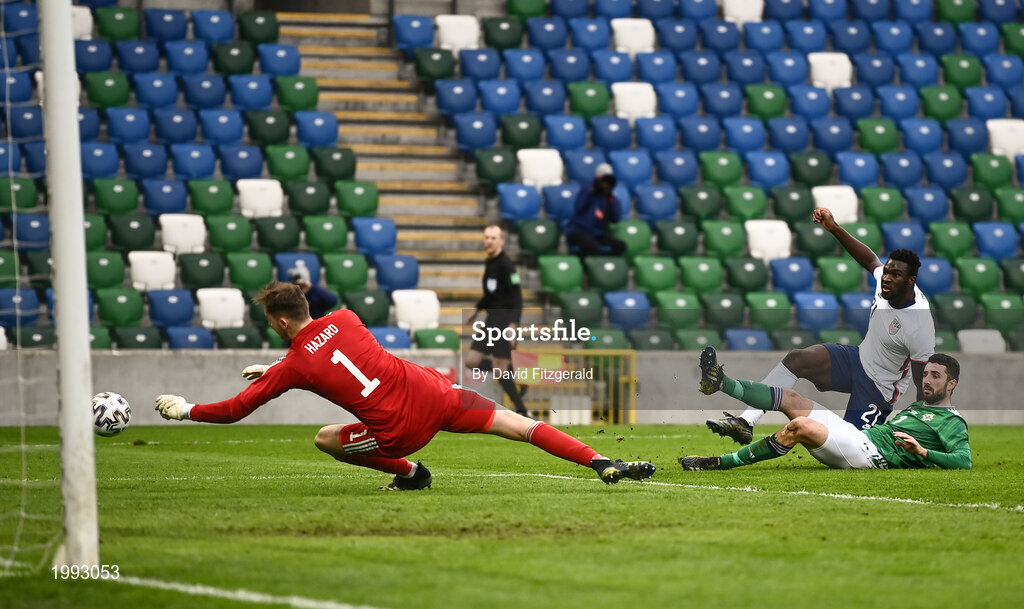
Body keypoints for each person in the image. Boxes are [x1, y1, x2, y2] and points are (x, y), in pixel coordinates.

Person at [155, 282, 655, 488]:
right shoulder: (347, 318)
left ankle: (411, 472)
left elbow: (238, 409)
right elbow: (332, 351)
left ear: (281, 323)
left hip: (398, 429)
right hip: (435, 392)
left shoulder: (294, 365)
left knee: (326, 438)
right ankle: (600, 461)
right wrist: (278, 366)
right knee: (517, 423)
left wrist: (187, 409)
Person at [706, 207, 936, 443]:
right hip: (856, 360)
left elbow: (923, 382)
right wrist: (833, 228)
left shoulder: (919, 325)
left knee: (852, 447)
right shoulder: (884, 283)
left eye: (895, 275)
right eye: (887, 271)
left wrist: (922, 428)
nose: (886, 277)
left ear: (911, 281)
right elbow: (869, 259)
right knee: (798, 358)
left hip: (880, 387)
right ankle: (746, 422)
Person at [681, 347, 970, 471]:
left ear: (952, 384)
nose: (927, 380)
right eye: (926, 374)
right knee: (791, 397)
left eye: (936, 376)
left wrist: (923, 453)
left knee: (800, 428)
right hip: (860, 436)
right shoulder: (917, 409)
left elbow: (963, 461)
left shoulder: (953, 421)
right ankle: (721, 382)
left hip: (868, 456)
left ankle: (720, 462)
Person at [464, 225, 530, 417]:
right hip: (490, 320)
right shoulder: (490, 262)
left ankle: (523, 411)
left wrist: (513, 324)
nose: (489, 241)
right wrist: (476, 309)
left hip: (504, 320)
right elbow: (490, 294)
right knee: (471, 362)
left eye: (493, 238)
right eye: (486, 237)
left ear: (501, 241)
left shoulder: (507, 265)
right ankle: (513, 372)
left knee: (499, 371)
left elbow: (517, 298)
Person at [565, 163, 627, 258]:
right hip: (579, 231)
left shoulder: (609, 197)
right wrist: (592, 190)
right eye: (603, 179)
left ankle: (604, 265)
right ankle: (587, 267)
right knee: (593, 247)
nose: (605, 183)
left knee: (620, 246)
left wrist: (610, 199)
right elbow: (579, 206)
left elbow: (616, 218)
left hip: (598, 234)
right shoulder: (587, 191)